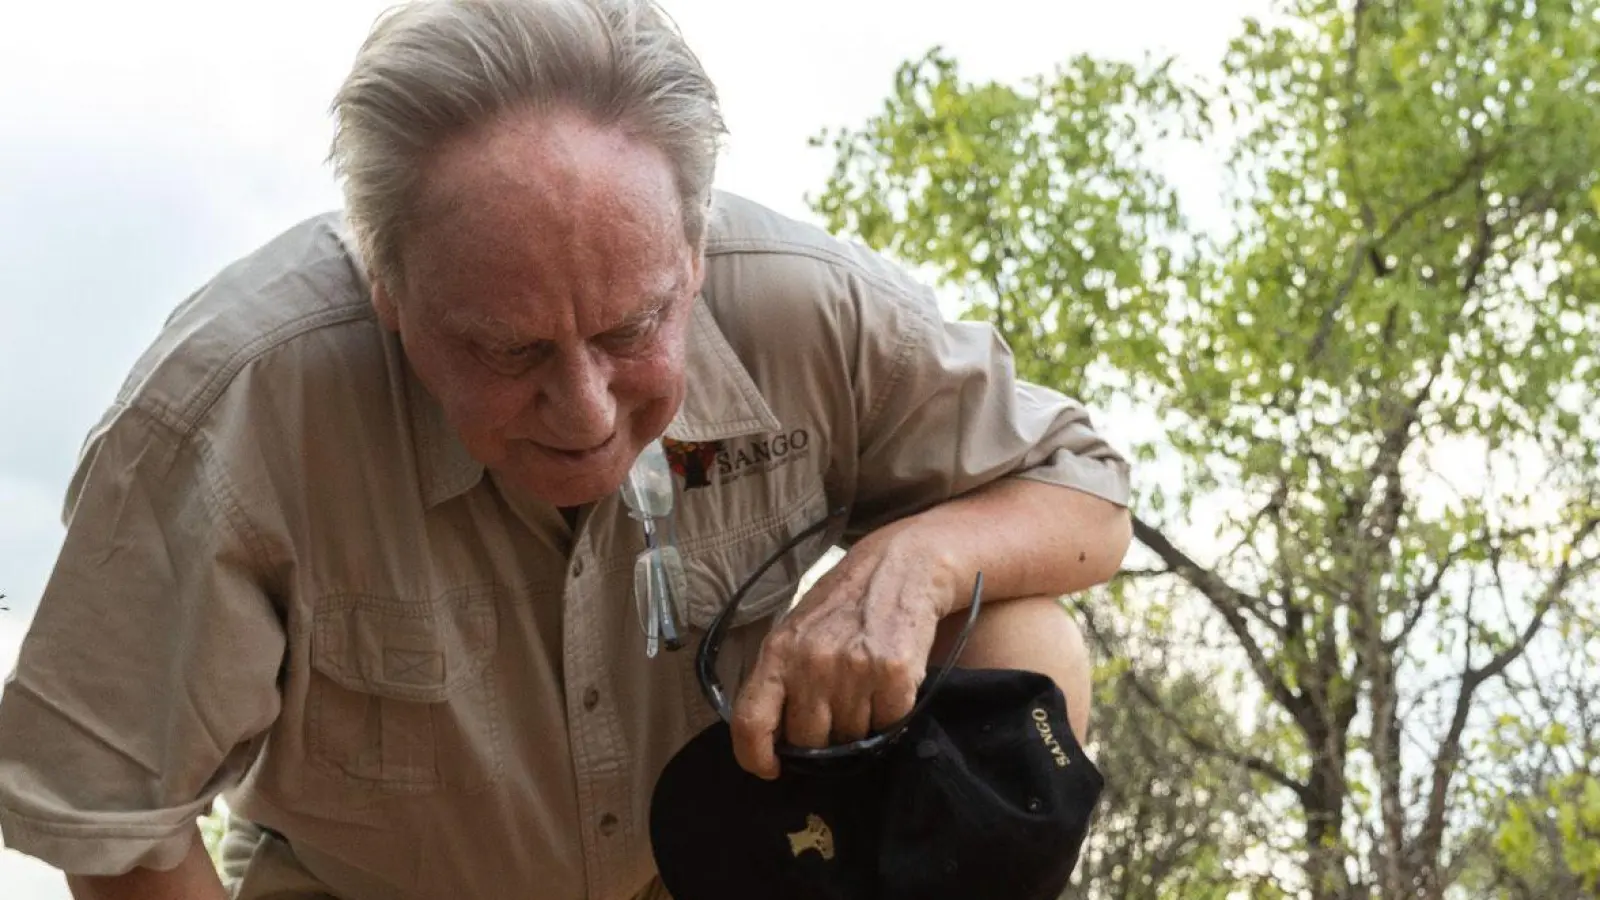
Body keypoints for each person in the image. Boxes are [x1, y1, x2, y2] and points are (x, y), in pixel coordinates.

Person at [0, 0, 1133, 897]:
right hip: (377, 890)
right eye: (508, 349)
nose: (586, 413)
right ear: (387, 292)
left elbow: (1084, 495)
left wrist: (915, 558)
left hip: (733, 868)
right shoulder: (235, 400)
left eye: (633, 329)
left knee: (1028, 635)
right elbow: (114, 825)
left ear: (692, 250)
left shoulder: (810, 306)